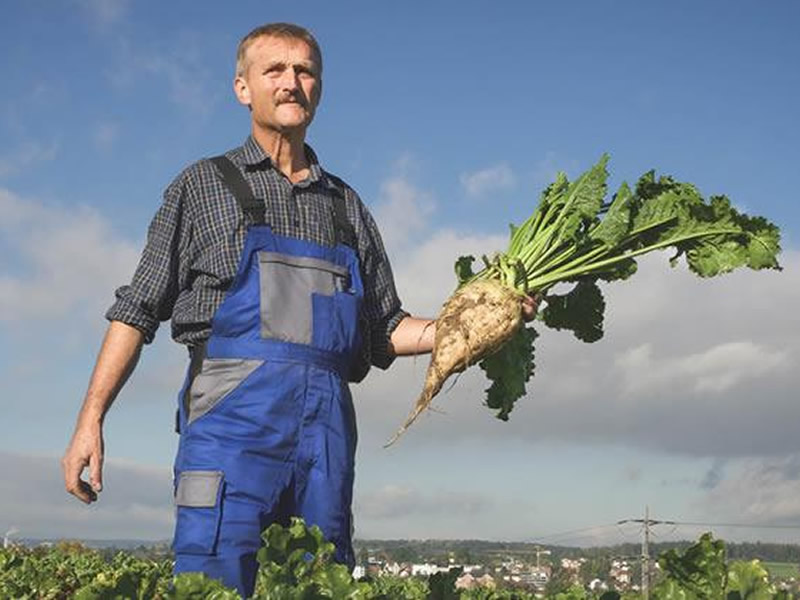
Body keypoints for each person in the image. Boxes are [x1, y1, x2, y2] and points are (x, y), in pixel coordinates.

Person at [62, 22, 537, 597]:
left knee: (320, 585)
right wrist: (91, 419)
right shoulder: (201, 187)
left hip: (325, 445)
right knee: (213, 583)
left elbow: (384, 330)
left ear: (320, 87)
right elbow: (136, 310)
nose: (292, 83)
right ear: (243, 88)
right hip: (229, 436)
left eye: (305, 71)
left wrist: (480, 319)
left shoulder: (346, 206)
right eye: (275, 70)